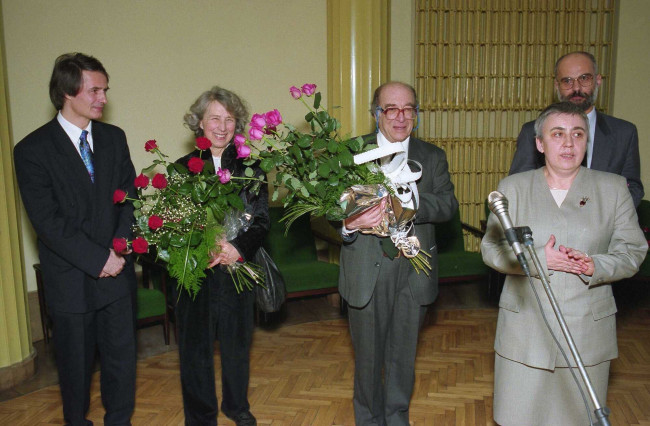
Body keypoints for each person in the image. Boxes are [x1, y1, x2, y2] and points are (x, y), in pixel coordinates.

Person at [482, 102, 647, 425]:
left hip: (587, 330)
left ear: (587, 141)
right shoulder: (512, 188)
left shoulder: (613, 189)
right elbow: (491, 249)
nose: (569, 144)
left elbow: (632, 252)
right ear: (540, 143)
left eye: (577, 134)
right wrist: (538, 257)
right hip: (525, 331)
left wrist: (594, 266)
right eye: (557, 134)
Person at [13, 53, 137, 425]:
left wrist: (117, 251)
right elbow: (48, 223)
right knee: (75, 370)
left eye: (105, 90)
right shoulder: (31, 151)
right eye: (94, 90)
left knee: (121, 362)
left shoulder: (115, 138)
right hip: (71, 280)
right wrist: (99, 259)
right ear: (68, 91)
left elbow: (129, 199)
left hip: (117, 275)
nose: (103, 97)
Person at [339, 81, 458, 425]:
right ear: (376, 114)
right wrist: (350, 224)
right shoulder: (350, 154)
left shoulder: (432, 157)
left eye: (409, 108)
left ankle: (397, 418)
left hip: (414, 270)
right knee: (367, 359)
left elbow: (448, 205)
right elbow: (324, 214)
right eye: (391, 108)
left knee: (402, 358)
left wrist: (409, 201)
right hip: (366, 270)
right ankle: (368, 420)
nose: (401, 116)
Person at [174, 86, 268, 426]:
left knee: (237, 345)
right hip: (197, 274)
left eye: (229, 119)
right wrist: (206, 244)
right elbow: (174, 227)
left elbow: (261, 221)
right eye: (214, 117)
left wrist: (236, 249)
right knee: (195, 350)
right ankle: (201, 416)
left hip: (236, 270)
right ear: (200, 122)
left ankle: (236, 406)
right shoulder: (180, 169)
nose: (222, 126)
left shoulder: (252, 167)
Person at [509, 51, 644, 207]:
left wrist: (604, 220)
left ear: (598, 80)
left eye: (584, 78)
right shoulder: (531, 131)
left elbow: (633, 188)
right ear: (557, 86)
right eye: (567, 81)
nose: (576, 88)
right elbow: (518, 187)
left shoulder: (624, 133)